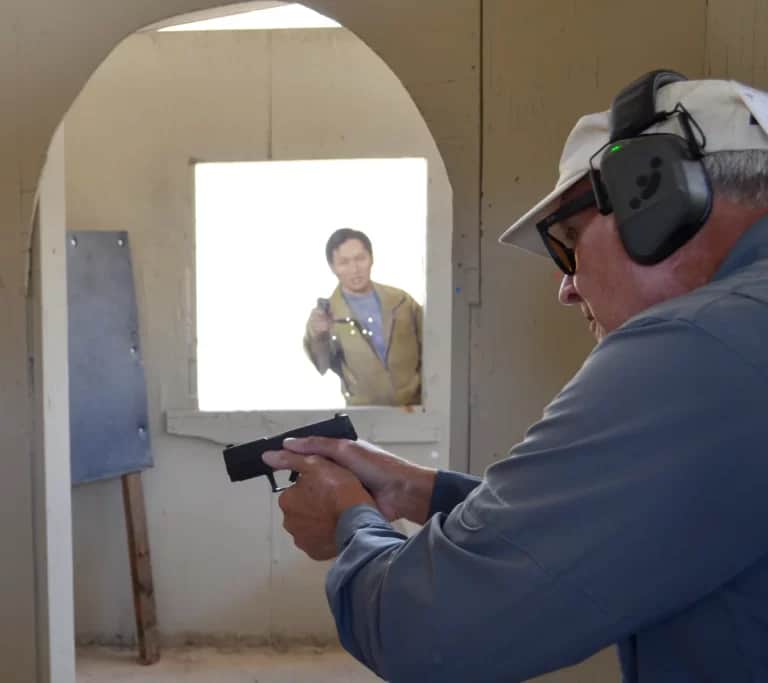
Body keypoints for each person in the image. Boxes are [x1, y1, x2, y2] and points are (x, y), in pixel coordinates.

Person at [264, 71, 768, 682]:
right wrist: (422, 492)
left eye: (569, 243)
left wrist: (350, 518)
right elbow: (616, 522)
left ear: (653, 200)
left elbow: (424, 631)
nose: (567, 286)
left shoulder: (695, 345)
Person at [304, 228, 422, 406]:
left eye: (360, 258)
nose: (355, 269)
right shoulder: (325, 317)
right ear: (332, 267)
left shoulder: (401, 301)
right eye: (344, 262)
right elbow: (322, 365)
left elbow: (434, 349)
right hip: (364, 417)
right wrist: (319, 336)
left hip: (416, 409)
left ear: (371, 258)